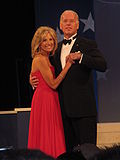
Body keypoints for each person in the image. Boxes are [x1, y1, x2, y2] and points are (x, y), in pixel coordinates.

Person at [30, 10, 107, 152]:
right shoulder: (55, 49)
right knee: (68, 153)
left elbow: (102, 65)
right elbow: (45, 70)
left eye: (71, 21)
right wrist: (32, 78)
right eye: (65, 21)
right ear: (60, 25)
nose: (68, 24)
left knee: (88, 152)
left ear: (77, 25)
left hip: (84, 111)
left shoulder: (87, 44)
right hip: (63, 113)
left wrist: (81, 57)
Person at [28, 26, 74, 158]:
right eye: (44, 40)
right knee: (48, 134)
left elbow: (34, 75)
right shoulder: (40, 59)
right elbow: (53, 84)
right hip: (45, 100)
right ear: (39, 43)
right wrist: (68, 66)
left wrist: (30, 79)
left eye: (51, 39)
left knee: (50, 133)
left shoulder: (46, 57)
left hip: (49, 98)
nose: (49, 43)